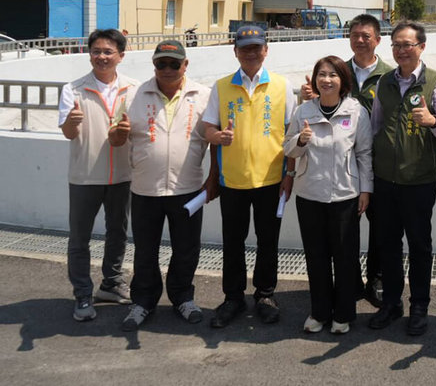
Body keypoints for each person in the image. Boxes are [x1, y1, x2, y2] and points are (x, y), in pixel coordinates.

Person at [108, 40, 217, 331]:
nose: (167, 69)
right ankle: (143, 301)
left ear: (186, 65)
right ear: (153, 65)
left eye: (174, 63)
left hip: (189, 187)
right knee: (145, 250)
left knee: (186, 249)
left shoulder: (204, 96)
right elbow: (117, 139)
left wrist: (213, 178)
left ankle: (182, 297)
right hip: (145, 188)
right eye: (161, 63)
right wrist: (117, 134)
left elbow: (214, 142)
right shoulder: (133, 94)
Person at [201, 25, 296, 328]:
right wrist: (218, 136)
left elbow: (293, 135)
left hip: (271, 179)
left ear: (266, 50)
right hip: (233, 180)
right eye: (245, 48)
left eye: (257, 48)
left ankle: (265, 294)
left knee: (269, 240)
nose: (251, 53)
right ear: (236, 52)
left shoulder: (282, 86)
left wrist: (289, 173)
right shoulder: (221, 86)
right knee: (233, 242)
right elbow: (207, 128)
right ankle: (233, 297)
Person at [367, 21, 436, 336]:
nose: (402, 50)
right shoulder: (384, 83)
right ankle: (392, 303)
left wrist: (433, 120)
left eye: (407, 45)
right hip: (385, 180)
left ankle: (420, 305)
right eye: (396, 45)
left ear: (421, 46)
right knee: (387, 244)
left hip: (418, 180)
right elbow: (376, 125)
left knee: (420, 246)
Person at [300, 14, 392, 307]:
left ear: (378, 39)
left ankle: (375, 278)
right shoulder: (338, 71)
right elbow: (322, 104)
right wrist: (313, 95)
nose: (360, 40)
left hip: (381, 161)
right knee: (344, 233)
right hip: (341, 163)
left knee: (379, 224)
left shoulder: (389, 76)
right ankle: (349, 282)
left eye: (366, 35)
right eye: (355, 35)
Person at [285, 56, 373, 335]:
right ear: (314, 80)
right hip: (310, 194)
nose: (326, 80)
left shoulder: (356, 111)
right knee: (316, 256)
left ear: (343, 81)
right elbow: (288, 150)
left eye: (333, 75)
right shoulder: (303, 112)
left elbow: (364, 154)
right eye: (321, 74)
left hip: (346, 195)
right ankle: (319, 312)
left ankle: (343, 314)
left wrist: (366, 190)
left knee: (345, 257)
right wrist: (300, 140)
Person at [58, 28, 138, 321]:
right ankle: (82, 294)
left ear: (121, 56)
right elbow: (68, 134)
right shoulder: (73, 89)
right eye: (96, 51)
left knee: (117, 233)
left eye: (108, 52)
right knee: (79, 238)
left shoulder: (134, 88)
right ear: (89, 54)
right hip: (84, 177)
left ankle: (111, 284)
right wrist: (70, 122)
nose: (101, 57)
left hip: (123, 176)